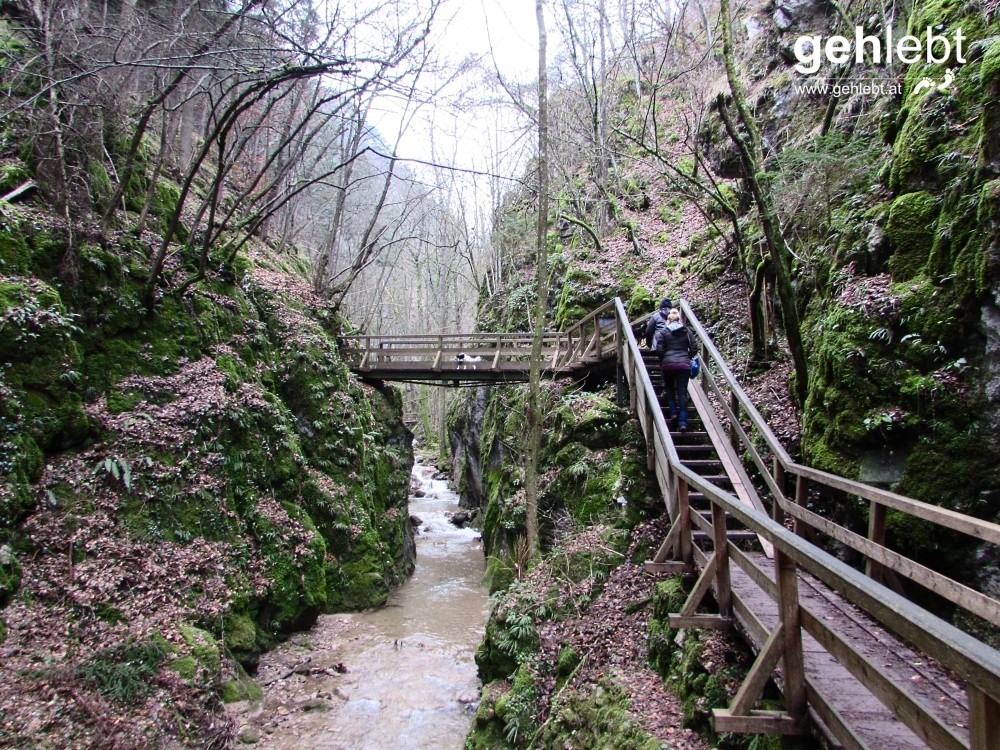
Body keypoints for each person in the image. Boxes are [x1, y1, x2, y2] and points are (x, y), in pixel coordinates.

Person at [654, 308, 697, 431]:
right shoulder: (687, 331)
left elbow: (659, 349)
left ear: (668, 320)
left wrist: (664, 359)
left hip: (668, 365)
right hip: (684, 365)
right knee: (682, 391)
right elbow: (694, 347)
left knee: (669, 388)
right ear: (679, 320)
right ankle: (683, 421)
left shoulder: (663, 332)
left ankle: (673, 412)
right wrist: (687, 357)